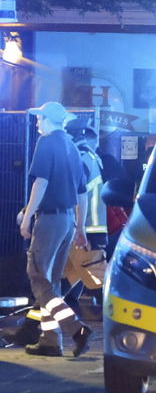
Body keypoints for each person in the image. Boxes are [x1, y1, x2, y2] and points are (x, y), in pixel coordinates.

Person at [20, 102, 90, 357]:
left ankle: (76, 330)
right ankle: (50, 341)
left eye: (40, 118)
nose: (37, 122)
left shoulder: (47, 143)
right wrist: (80, 226)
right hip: (68, 221)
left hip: (49, 220)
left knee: (38, 278)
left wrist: (27, 217)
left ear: (49, 120)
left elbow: (41, 182)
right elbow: (82, 192)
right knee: (52, 283)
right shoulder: (72, 147)